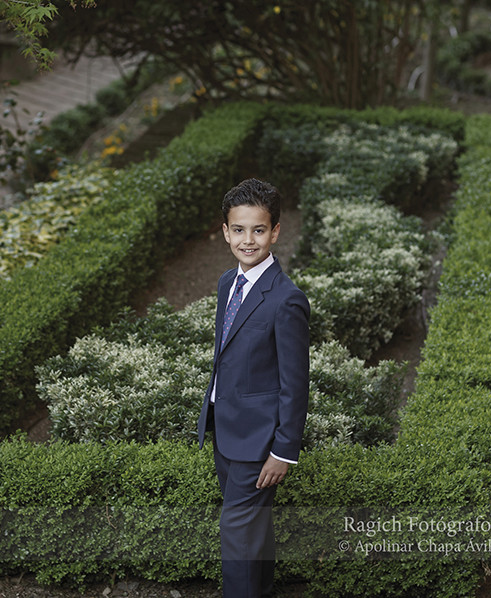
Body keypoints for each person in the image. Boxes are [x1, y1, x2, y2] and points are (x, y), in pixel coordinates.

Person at [197, 178, 310, 598]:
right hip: (226, 432)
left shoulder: (286, 299)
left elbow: (295, 384)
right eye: (239, 230)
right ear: (225, 232)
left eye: (259, 230)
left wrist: (283, 451)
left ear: (276, 231)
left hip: (259, 443)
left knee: (238, 539)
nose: (249, 240)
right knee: (253, 537)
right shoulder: (230, 282)